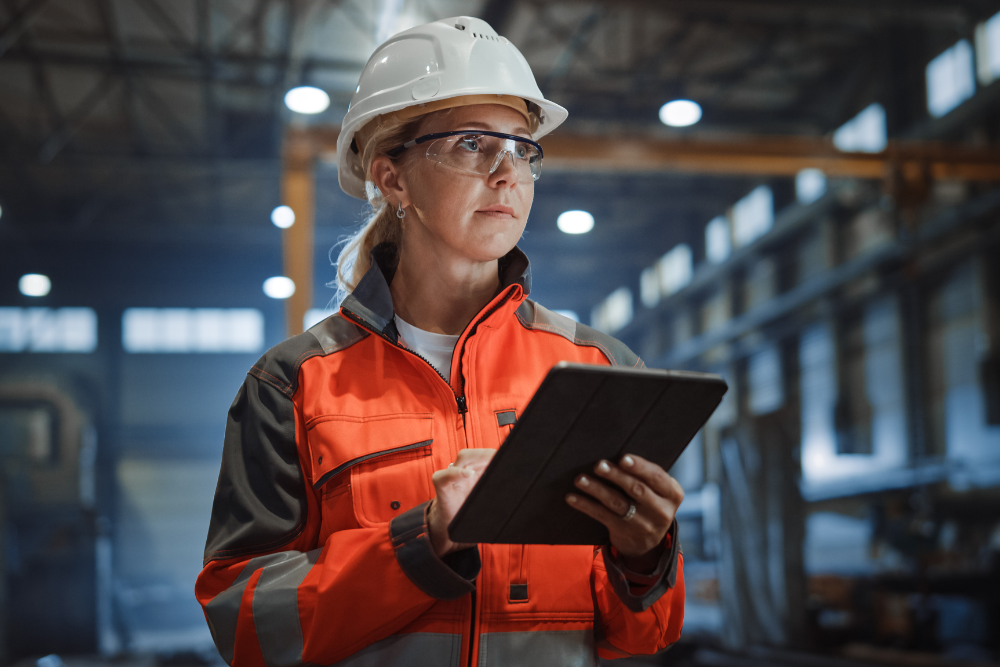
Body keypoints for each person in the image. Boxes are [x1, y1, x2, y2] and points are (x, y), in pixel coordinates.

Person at [196, 16, 686, 667]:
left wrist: (646, 557)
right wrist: (420, 543)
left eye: (521, 148)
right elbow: (245, 624)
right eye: (472, 144)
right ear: (392, 179)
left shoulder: (598, 367)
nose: (508, 172)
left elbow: (643, 633)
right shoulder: (294, 385)